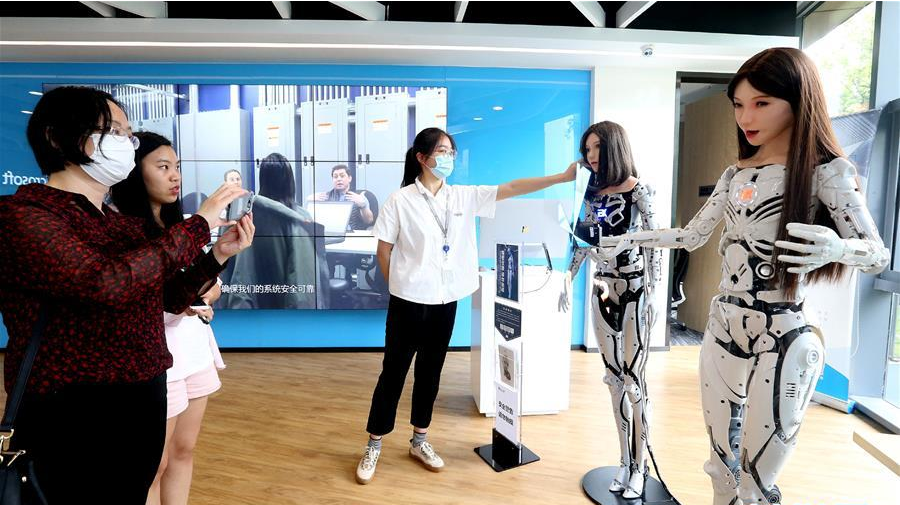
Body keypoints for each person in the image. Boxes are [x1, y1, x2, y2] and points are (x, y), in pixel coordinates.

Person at [595, 48, 889, 504]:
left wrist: (838, 248)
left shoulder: (827, 172)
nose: (746, 117)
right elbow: (692, 235)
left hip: (783, 330)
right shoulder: (735, 174)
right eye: (738, 104)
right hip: (723, 323)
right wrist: (629, 239)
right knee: (719, 467)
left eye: (761, 103)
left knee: (757, 481)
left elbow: (877, 255)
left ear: (798, 101)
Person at [0, 86, 254, 503]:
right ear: (57, 137)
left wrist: (218, 255)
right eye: (113, 131)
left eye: (128, 135)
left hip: (142, 395)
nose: (126, 144)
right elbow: (104, 284)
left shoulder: (120, 225)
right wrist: (198, 225)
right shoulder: (24, 216)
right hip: (72, 407)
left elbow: (169, 298)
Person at [355, 127, 578, 484]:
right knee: (393, 373)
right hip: (408, 301)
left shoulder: (462, 197)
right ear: (422, 157)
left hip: (445, 301)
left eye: (451, 152)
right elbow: (384, 250)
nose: (449, 158)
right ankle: (374, 445)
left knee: (430, 372)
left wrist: (561, 178)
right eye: (442, 151)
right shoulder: (400, 200)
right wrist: (398, 287)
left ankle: (419, 441)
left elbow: (511, 187)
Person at [110, 132, 227, 505]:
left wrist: (212, 279)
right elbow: (144, 294)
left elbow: (194, 284)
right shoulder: (120, 229)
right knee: (153, 466)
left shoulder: (180, 226)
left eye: (176, 166)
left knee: (183, 451)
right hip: (157, 359)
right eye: (163, 167)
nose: (175, 176)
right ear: (134, 171)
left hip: (193, 348)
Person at [559, 121, 661, 498]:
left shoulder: (639, 190)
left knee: (635, 383)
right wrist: (567, 278)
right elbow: (582, 240)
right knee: (614, 381)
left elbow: (653, 243)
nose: (591, 156)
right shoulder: (590, 191)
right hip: (602, 289)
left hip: (634, 290)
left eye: (597, 147)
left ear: (614, 146)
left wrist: (654, 291)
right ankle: (623, 461)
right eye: (587, 149)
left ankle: (641, 466)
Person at [222, 152, 329, 309]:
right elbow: (303, 283)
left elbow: (231, 272)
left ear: (262, 180)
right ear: (290, 182)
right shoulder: (302, 219)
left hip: (246, 314)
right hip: (285, 315)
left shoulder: (241, 214)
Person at [309, 164, 377, 230]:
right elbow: (312, 220)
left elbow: (369, 221)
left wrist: (363, 206)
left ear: (349, 178)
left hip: (352, 234)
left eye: (342, 176)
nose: (339, 179)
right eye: (335, 177)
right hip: (331, 232)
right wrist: (310, 201)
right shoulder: (325, 197)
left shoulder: (358, 197)